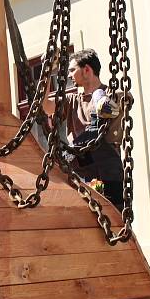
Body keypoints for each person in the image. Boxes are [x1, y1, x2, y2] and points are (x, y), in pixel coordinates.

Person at [44, 49, 126, 208]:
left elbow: (111, 110)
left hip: (106, 171)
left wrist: (99, 96)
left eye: (72, 70)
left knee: (112, 216)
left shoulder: (114, 94)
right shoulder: (72, 100)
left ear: (87, 70)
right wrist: (47, 69)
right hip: (80, 170)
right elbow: (46, 106)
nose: (69, 75)